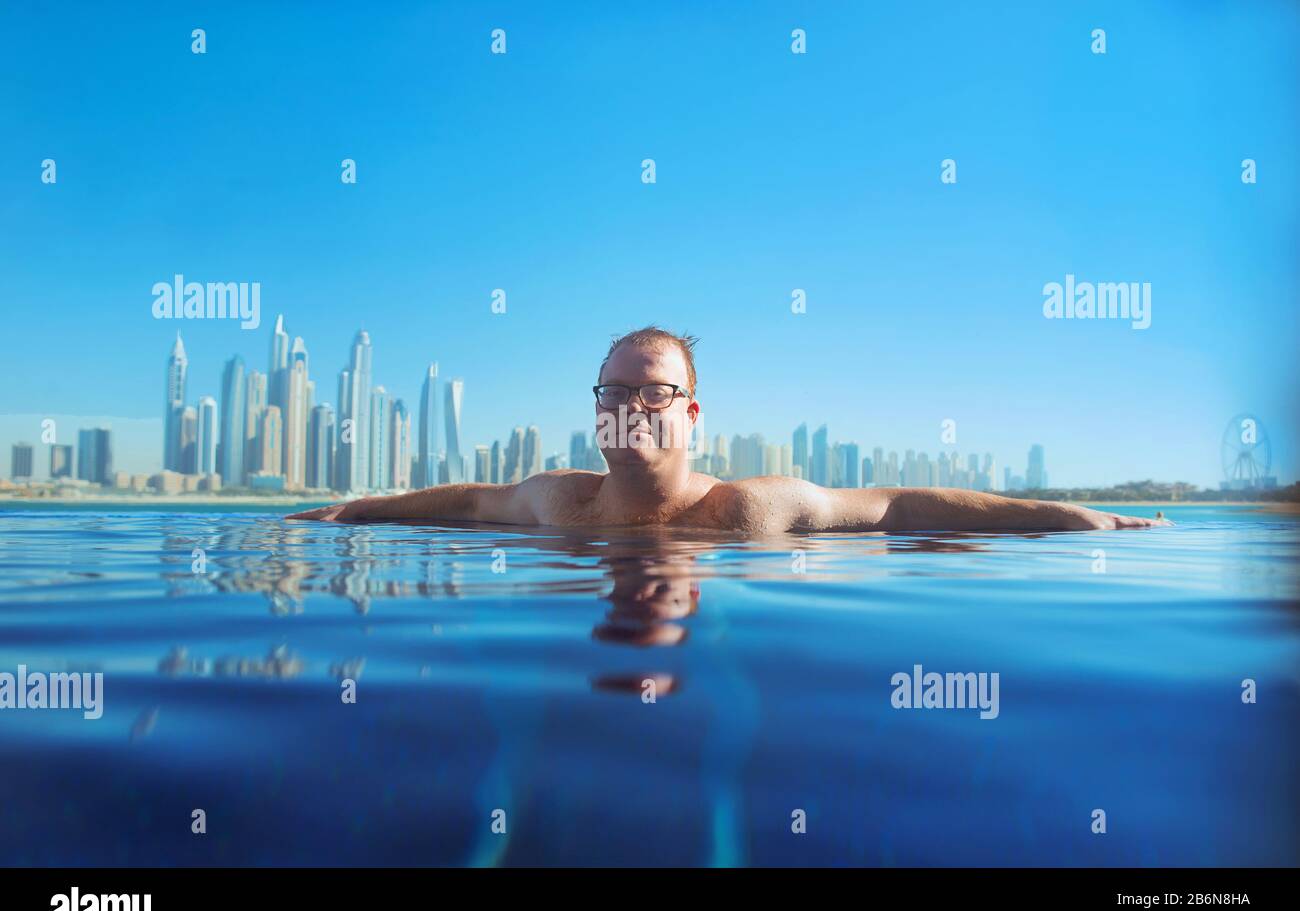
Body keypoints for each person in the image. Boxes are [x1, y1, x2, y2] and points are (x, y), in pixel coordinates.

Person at [287, 327, 1170, 534]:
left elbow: (900, 504)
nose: (635, 403)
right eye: (617, 388)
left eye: (658, 390)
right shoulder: (559, 501)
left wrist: (1076, 518)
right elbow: (466, 502)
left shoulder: (751, 509)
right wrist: (346, 512)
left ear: (693, 412)